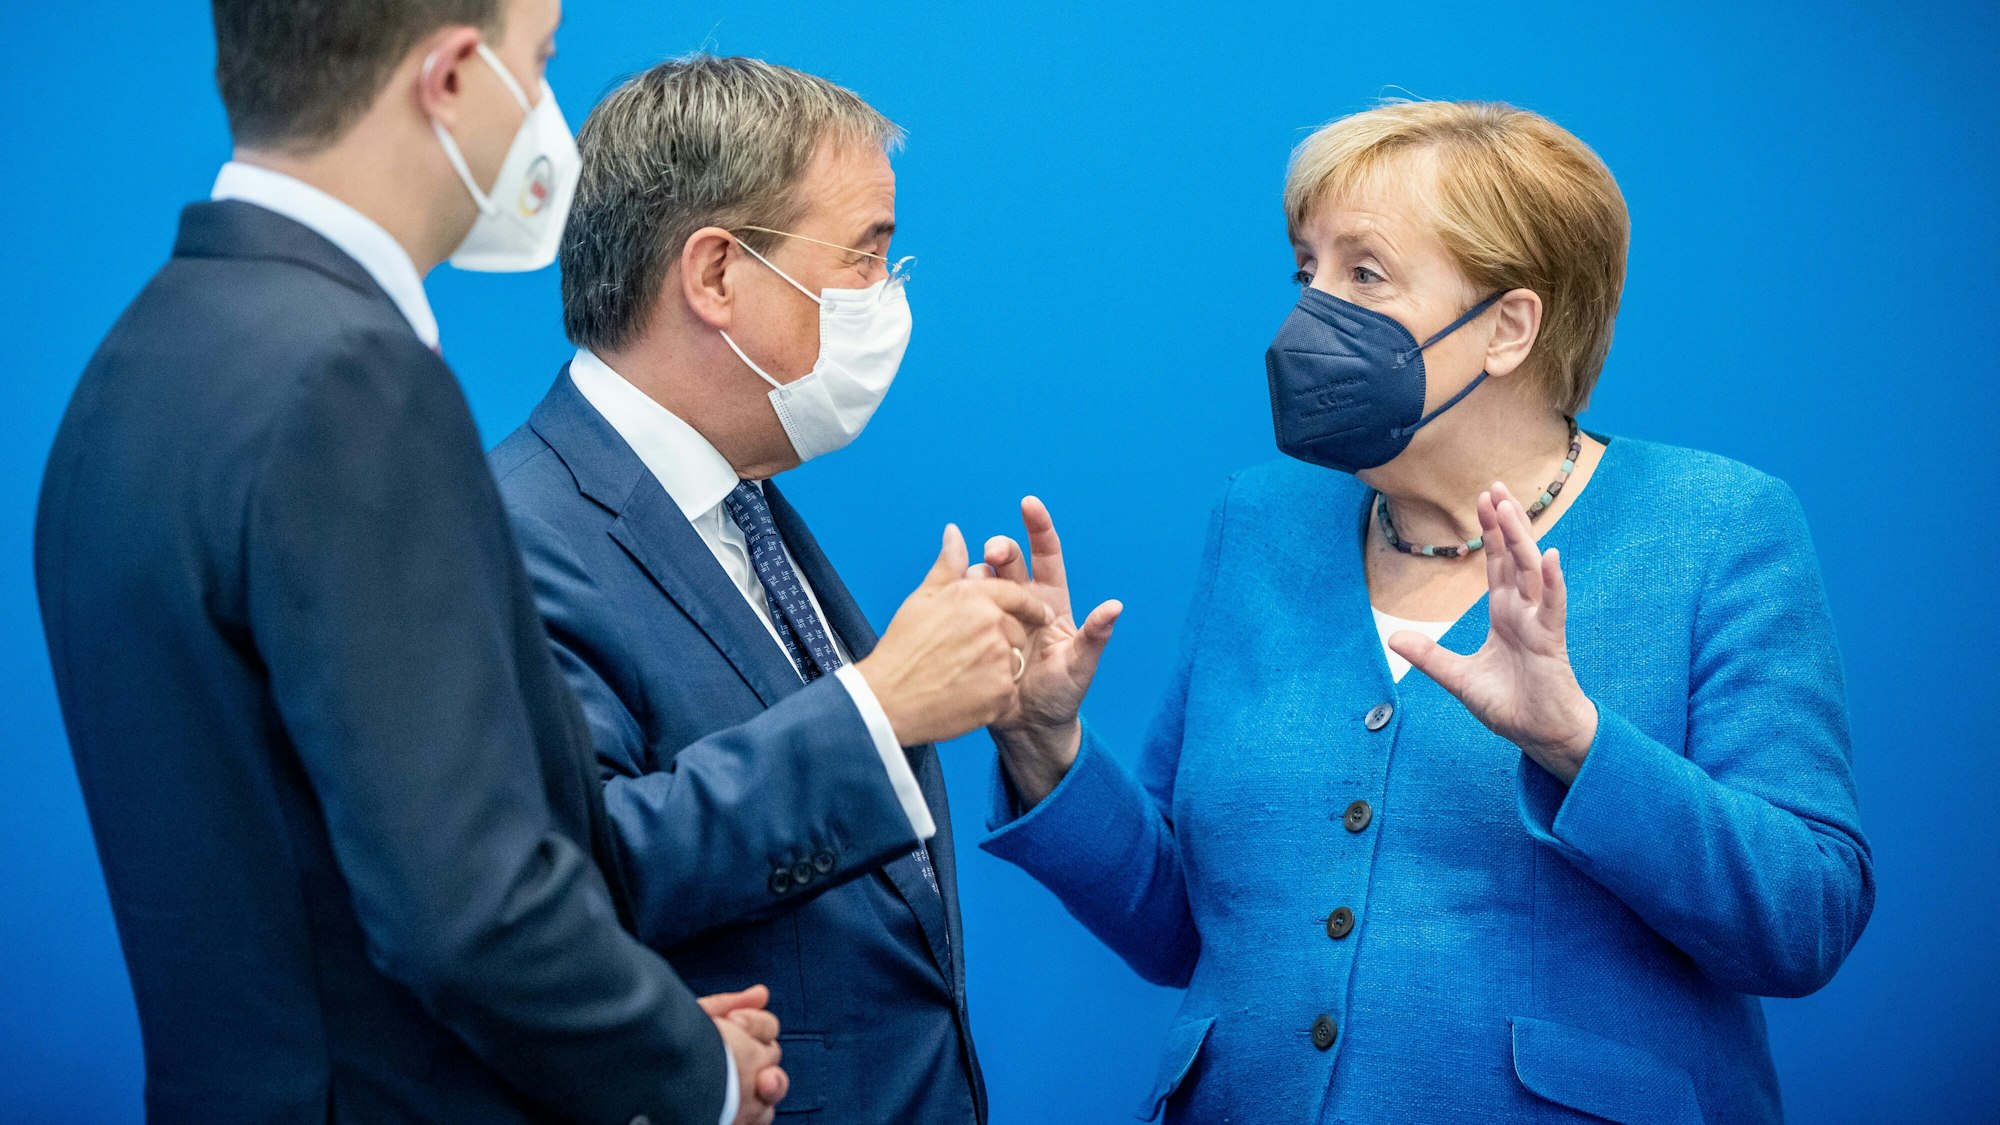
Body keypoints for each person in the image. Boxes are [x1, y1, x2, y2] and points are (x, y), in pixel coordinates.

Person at [975, 100, 1873, 1123]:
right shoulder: (1259, 524)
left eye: (1363, 274)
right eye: (1303, 269)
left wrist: (1575, 743)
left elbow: (1803, 919)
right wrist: (1045, 744)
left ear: (1506, 326)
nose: (1309, 313)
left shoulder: (1714, 527)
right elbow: (1181, 927)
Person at [34, 3, 785, 1122]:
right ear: (448, 78)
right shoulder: (353, 382)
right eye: (539, 62)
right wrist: (693, 1068)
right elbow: (467, 908)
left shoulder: (131, 368)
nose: (545, 109)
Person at [489, 55, 1054, 1124]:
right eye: (864, 255)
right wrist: (880, 713)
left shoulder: (741, 498)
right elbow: (568, 872)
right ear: (713, 277)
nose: (887, 299)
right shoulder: (513, 532)